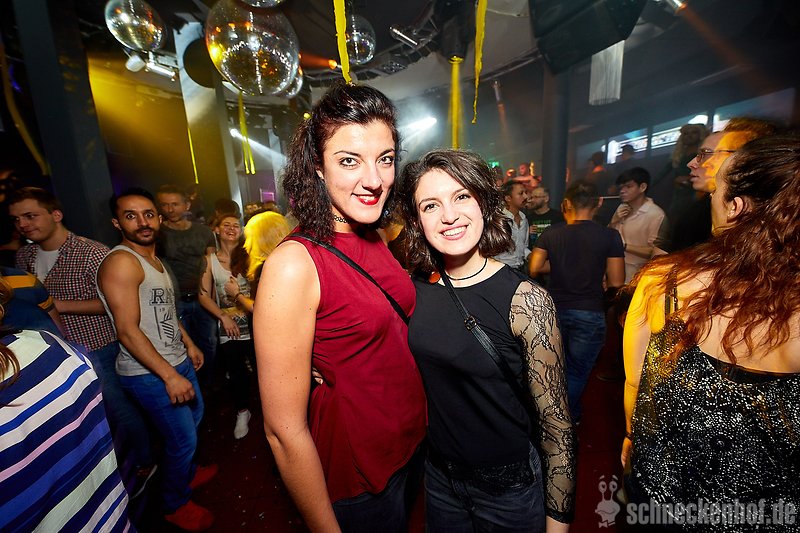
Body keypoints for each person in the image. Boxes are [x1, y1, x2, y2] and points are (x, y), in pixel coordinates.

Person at [253, 83, 426, 532]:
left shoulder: (373, 233)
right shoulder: (294, 264)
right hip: (359, 470)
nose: (374, 180)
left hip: (409, 443)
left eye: (385, 159)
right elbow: (283, 431)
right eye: (350, 160)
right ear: (317, 165)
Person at [621, 135, 800, 524]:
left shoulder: (666, 282)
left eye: (717, 191)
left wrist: (632, 437)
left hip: (668, 505)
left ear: (736, 206)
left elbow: (636, 384)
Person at [397, 149, 576, 533]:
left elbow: (556, 425)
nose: (448, 215)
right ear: (417, 220)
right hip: (439, 479)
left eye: (461, 196)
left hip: (508, 488)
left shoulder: (527, 301)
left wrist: (558, 523)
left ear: (484, 202)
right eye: (430, 205)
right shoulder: (413, 289)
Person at [8, 186, 154, 487]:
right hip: (55, 353)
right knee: (79, 418)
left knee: (119, 410)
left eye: (30, 216)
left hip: (98, 348)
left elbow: (114, 304)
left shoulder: (92, 253)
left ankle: (147, 461)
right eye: (17, 219)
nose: (23, 224)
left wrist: (56, 305)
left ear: (56, 214)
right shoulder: (25, 255)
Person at [98, 188, 216, 531]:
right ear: (116, 223)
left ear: (159, 219)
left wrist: (189, 343)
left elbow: (165, 312)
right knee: (182, 440)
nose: (142, 222)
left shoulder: (154, 260)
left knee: (194, 419)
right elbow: (127, 331)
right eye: (130, 216)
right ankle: (174, 503)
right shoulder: (122, 262)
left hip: (174, 360)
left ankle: (185, 473)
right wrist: (169, 376)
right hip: (149, 372)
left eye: (148, 214)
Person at [0, 285, 131, 532]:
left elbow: (109, 305)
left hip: (97, 350)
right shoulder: (47, 345)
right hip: (112, 519)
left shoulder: (49, 347)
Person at [530, 181, 625, 422]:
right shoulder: (609, 236)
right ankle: (564, 419)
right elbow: (616, 281)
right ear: (599, 202)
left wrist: (562, 266)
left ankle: (552, 417)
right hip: (589, 312)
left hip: (553, 310)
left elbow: (535, 267)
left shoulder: (552, 233)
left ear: (567, 204)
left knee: (553, 368)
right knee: (577, 372)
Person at [198, 214, 253, 439]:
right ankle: (242, 412)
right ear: (217, 230)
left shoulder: (250, 254)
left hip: (254, 320)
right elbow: (203, 296)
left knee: (260, 369)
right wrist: (223, 317)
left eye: (235, 225)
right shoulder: (209, 261)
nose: (231, 229)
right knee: (236, 370)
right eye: (226, 225)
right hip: (229, 324)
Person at [156, 185, 218, 386]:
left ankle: (209, 387)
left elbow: (213, 266)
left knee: (209, 344)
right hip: (175, 301)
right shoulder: (158, 234)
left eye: (175, 204)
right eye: (165, 205)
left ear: (187, 205)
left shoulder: (203, 232)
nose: (170, 209)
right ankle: (191, 386)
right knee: (181, 347)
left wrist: (213, 297)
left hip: (203, 299)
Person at [608, 167, 669, 283]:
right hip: (615, 272)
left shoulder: (655, 214)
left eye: (628, 186)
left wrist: (623, 246)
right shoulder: (621, 208)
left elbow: (655, 251)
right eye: (621, 187)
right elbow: (607, 237)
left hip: (638, 275)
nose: (622, 191)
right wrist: (613, 220)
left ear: (642, 187)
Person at [493, 179, 530, 272]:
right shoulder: (499, 220)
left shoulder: (524, 219)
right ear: (508, 198)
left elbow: (523, 247)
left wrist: (531, 256)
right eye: (521, 193)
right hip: (501, 270)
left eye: (525, 193)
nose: (526, 196)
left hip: (520, 270)